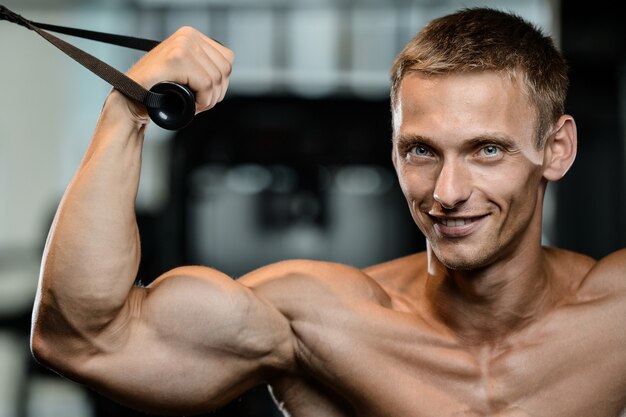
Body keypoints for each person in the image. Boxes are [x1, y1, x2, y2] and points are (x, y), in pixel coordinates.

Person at [30, 6, 626, 417]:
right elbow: (84, 341)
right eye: (420, 151)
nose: (447, 190)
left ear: (557, 150)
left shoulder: (614, 321)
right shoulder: (321, 322)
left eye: (487, 149)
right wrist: (125, 111)